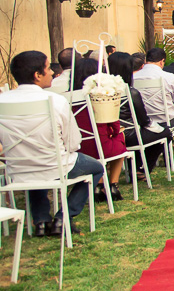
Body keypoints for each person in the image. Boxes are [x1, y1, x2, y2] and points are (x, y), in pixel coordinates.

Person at [0, 51, 104, 237]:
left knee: (34, 168)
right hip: (55, 166)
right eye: (48, 68)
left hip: (18, 169)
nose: (52, 73)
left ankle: (41, 221)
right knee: (96, 168)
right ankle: (64, 217)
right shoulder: (56, 100)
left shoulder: (2, 100)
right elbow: (73, 142)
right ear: (37, 75)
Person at [108, 52, 173, 180]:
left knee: (145, 133)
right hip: (129, 136)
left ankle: (135, 167)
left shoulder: (101, 91)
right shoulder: (130, 92)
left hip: (109, 134)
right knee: (166, 132)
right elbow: (144, 121)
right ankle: (142, 169)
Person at [71, 58, 127, 202]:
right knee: (119, 137)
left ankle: (98, 185)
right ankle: (113, 184)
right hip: (102, 145)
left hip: (78, 146)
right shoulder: (101, 95)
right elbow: (113, 124)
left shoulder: (68, 97)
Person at [133, 47, 174, 126]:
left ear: (145, 60)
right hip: (168, 122)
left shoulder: (133, 78)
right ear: (162, 62)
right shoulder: (169, 77)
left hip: (142, 122)